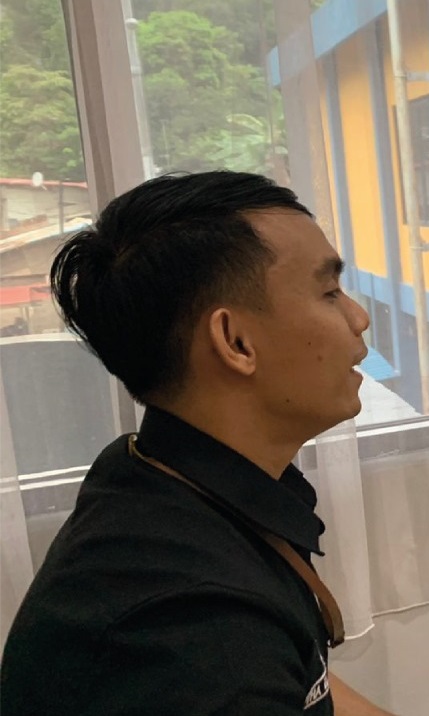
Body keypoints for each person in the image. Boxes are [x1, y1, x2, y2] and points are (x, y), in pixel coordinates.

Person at [1, 172, 394, 715]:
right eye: (329, 292)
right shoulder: (191, 635)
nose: (359, 316)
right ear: (235, 341)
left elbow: (311, 682)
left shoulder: (156, 470)